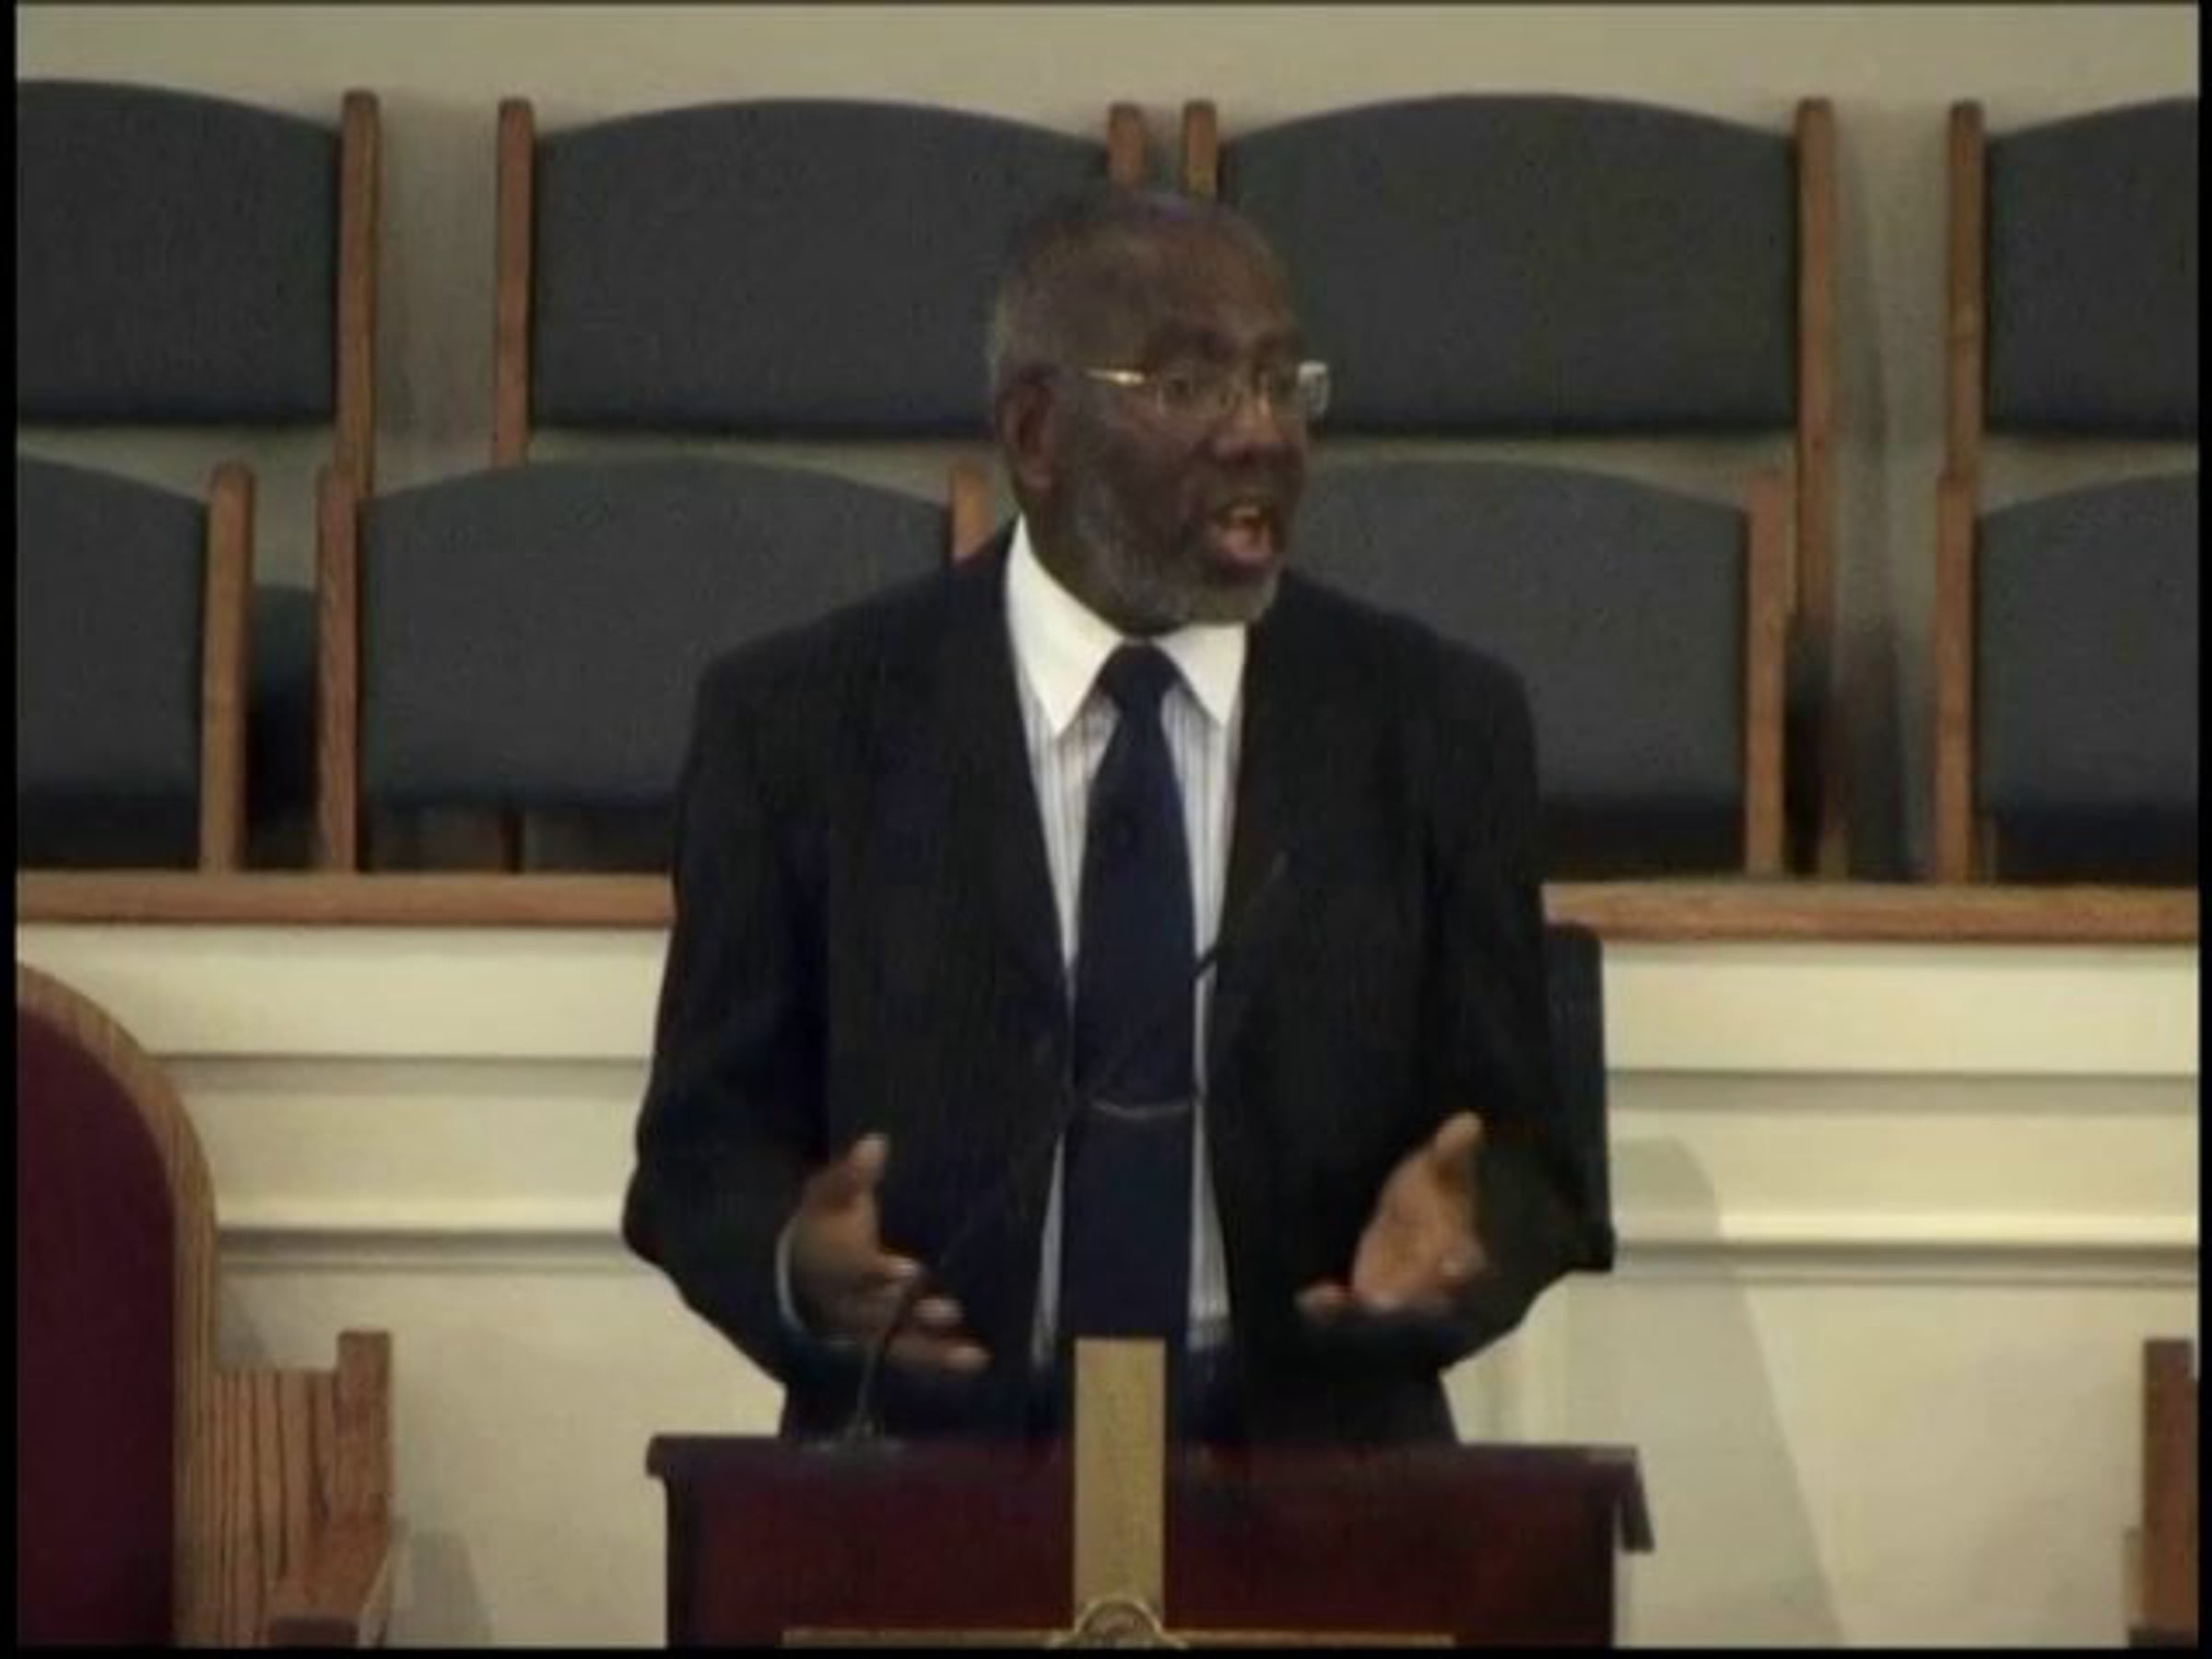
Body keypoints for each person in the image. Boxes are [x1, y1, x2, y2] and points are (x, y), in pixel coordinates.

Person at [622, 189, 1597, 1445]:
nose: (1260, 434)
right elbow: (699, 1155)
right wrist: (796, 1266)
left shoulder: (1436, 723)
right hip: (929, 1474)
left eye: (1280, 382)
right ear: (1037, 433)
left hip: (1312, 1475)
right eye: (1191, 386)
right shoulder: (801, 724)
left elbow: (1528, 1157)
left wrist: (1467, 1238)